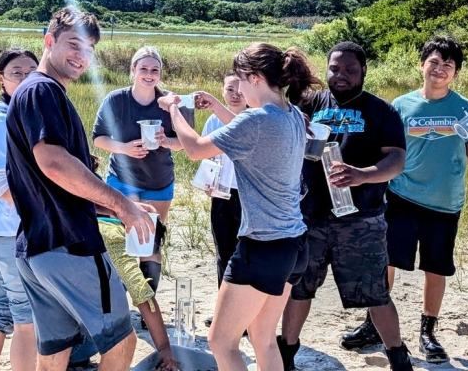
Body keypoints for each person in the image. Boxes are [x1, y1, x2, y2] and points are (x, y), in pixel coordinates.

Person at [5, 6, 157, 371]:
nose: (80, 56)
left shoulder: (33, 93)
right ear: (48, 41)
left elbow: (56, 185)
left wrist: (113, 207)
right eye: (73, 44)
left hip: (38, 248)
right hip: (69, 246)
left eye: (88, 49)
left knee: (54, 354)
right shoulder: (43, 91)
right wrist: (122, 205)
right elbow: (53, 163)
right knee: (122, 341)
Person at [341, 36, 468, 363]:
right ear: (422, 64)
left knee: (436, 268)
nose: (439, 69)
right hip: (402, 196)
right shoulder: (401, 106)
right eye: (434, 62)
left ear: (456, 73)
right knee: (386, 261)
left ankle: (427, 332)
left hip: (445, 202)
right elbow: (387, 153)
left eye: (448, 65)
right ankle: (374, 324)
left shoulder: (467, 108)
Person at [159, 43, 317, 371]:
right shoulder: (291, 115)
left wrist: (175, 109)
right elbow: (245, 133)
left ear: (255, 78)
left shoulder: (256, 121)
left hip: (262, 246)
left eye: (241, 81)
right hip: (294, 245)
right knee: (262, 337)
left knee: (221, 341)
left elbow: (194, 149)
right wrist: (217, 105)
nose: (239, 88)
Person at [278, 42, 414, 371]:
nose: (341, 76)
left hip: (361, 220)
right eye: (335, 69)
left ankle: (398, 357)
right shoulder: (308, 103)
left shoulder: (381, 111)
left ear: (363, 71)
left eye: (350, 70)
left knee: (375, 292)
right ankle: (285, 356)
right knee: (299, 288)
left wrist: (361, 176)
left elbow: (396, 160)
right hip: (310, 217)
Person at [92, 46, 192, 299]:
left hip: (158, 182)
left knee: (150, 241)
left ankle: (148, 303)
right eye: (144, 69)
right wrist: (124, 148)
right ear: (133, 70)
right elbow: (99, 139)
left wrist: (165, 142)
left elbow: (186, 143)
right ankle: (116, 301)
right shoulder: (116, 100)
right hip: (121, 179)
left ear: (160, 73)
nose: (149, 74)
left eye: (155, 70)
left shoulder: (171, 102)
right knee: (118, 241)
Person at [0, 48, 39, 371]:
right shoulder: (0, 121)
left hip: (4, 235)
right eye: (17, 73)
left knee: (0, 316)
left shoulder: (17, 116)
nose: (26, 78)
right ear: (1, 79)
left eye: (32, 71)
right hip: (8, 234)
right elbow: (3, 187)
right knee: (27, 322)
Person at [67, 217, 181, 371]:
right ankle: (76, 357)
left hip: (45, 334)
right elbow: (143, 296)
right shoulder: (115, 241)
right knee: (124, 336)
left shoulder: (98, 220)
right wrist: (164, 349)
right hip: (71, 345)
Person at [196, 73, 247, 327]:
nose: (235, 95)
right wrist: (206, 182)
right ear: (222, 91)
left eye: (240, 90)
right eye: (230, 90)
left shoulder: (254, 119)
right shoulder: (214, 121)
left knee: (246, 255)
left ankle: (247, 317)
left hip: (248, 197)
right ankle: (223, 312)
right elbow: (207, 157)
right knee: (223, 254)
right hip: (221, 195)